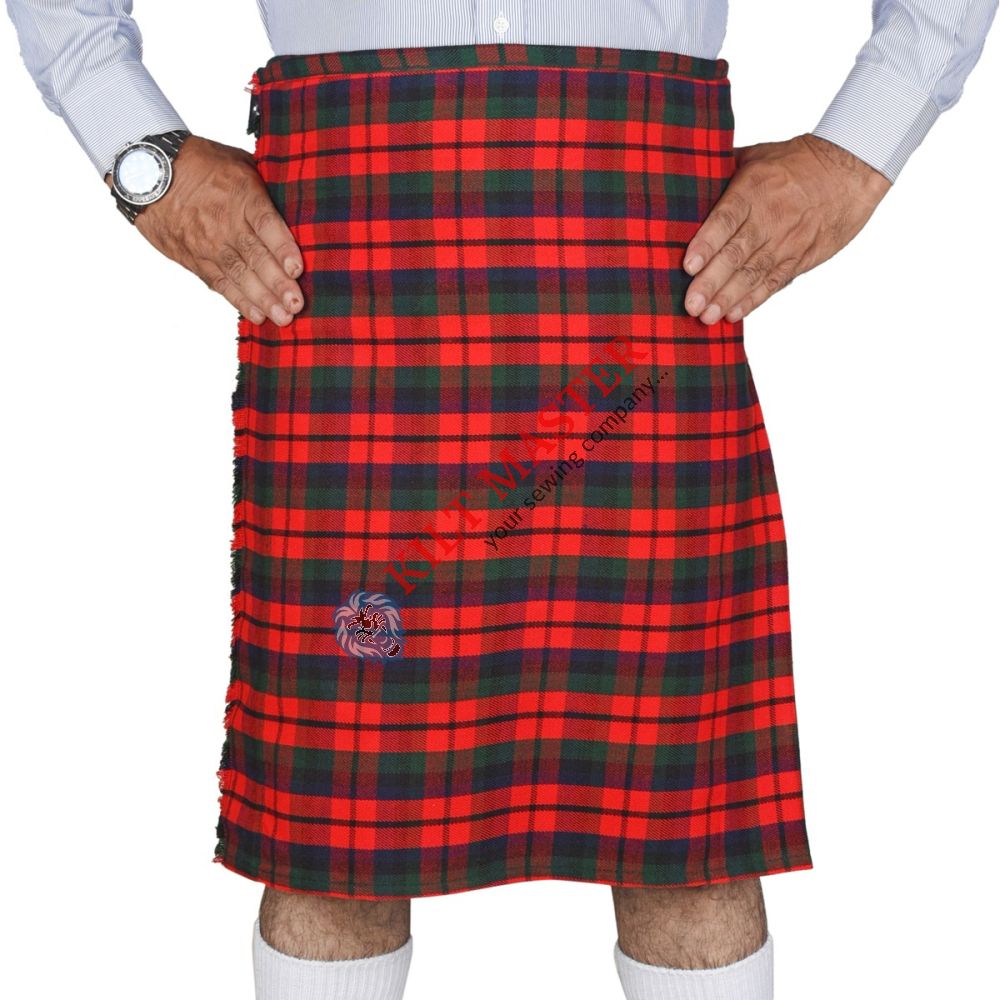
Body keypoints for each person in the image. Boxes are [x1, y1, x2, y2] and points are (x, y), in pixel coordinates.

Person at [5, 3, 996, 999]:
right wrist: (139, 149)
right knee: (332, 842)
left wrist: (859, 148)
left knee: (686, 837)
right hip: (349, 255)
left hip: (648, 253)